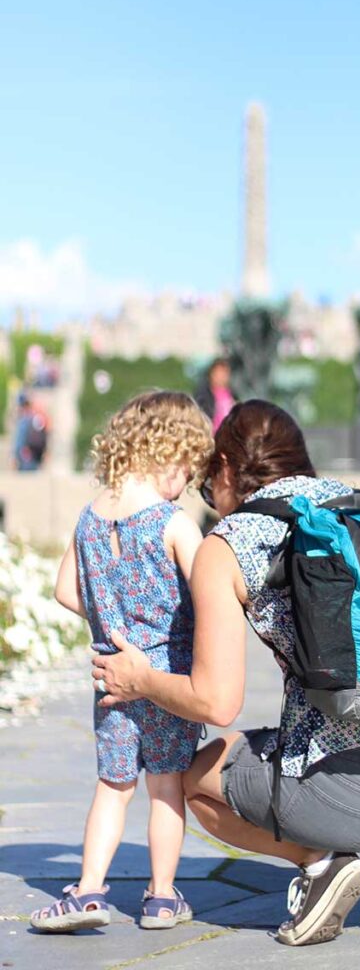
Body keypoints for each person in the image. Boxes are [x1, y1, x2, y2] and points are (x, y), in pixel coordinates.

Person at [92, 400, 360, 947]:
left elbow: (215, 702)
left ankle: (320, 867)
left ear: (225, 470)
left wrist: (140, 679)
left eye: (207, 487)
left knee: (196, 777)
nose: (209, 501)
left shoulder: (228, 543)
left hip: (354, 798)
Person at [30, 391, 213, 933]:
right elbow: (212, 595)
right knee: (166, 786)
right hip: (164, 680)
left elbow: (65, 590)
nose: (187, 483)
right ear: (170, 453)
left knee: (113, 786)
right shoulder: (173, 523)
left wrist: (112, 623)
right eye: (188, 470)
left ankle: (87, 890)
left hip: (110, 677)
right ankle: (160, 898)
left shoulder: (89, 518)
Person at [195, 358, 237, 433]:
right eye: (218, 374)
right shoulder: (204, 394)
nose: (221, 377)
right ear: (211, 374)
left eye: (224, 374)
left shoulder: (233, 394)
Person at [13, 394, 48, 471]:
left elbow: (19, 442)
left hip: (25, 457)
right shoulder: (36, 419)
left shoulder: (23, 420)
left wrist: (15, 457)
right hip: (34, 456)